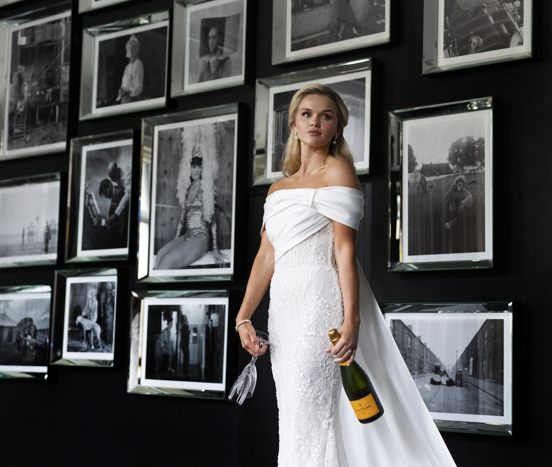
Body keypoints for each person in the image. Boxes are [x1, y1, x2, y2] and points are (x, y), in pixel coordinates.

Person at [235, 84, 456, 466]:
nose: (315, 122)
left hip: (318, 304)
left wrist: (351, 320)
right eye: (306, 113)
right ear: (293, 123)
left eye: (326, 115)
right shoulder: (278, 188)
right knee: (291, 414)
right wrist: (243, 317)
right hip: (283, 309)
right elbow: (266, 256)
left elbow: (344, 251)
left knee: (309, 410)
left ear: (337, 127)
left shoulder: (339, 172)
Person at [154, 125, 227, 270]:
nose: (195, 170)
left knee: (166, 263)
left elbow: (211, 220)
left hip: (200, 238)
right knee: (161, 255)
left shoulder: (206, 187)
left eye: (198, 166)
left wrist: (215, 248)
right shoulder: (187, 188)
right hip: (187, 235)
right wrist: (176, 242)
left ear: (202, 168)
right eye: (193, 166)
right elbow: (182, 219)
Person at [116, 35, 144, 104]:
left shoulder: (138, 64)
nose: (129, 49)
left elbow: (138, 87)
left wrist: (128, 91)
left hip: (132, 100)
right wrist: (121, 90)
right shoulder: (127, 67)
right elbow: (124, 83)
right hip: (124, 99)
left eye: (131, 47)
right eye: (128, 47)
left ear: (135, 49)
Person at [179, 314, 190, 380]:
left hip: (185, 346)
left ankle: (185, 372)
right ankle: (186, 374)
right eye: (186, 318)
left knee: (186, 359)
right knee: (186, 359)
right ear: (184, 320)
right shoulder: (185, 327)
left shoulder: (184, 327)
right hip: (185, 346)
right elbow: (185, 338)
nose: (187, 319)